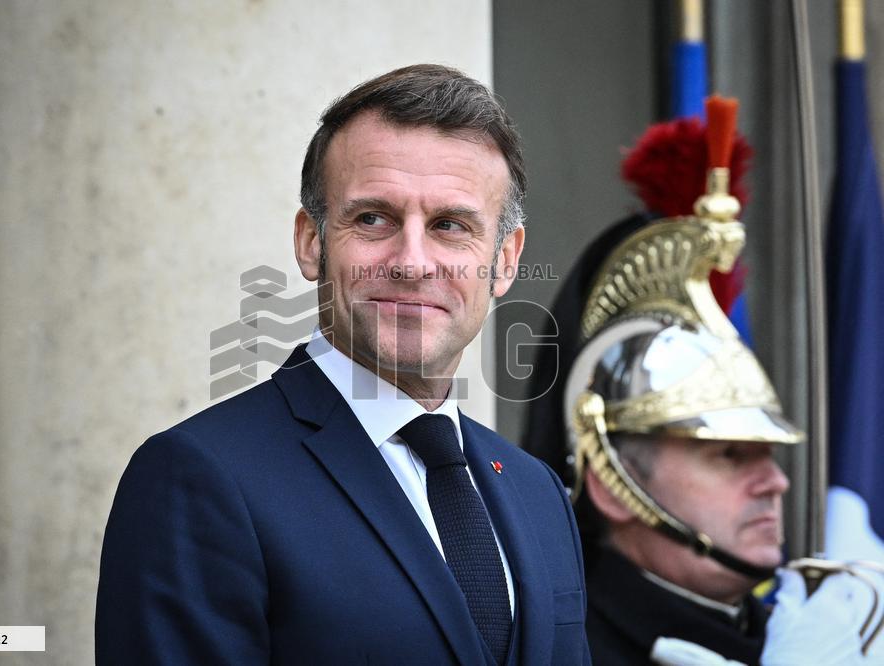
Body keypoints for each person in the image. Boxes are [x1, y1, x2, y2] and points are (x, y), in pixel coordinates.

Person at [96, 64, 591, 665]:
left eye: (451, 226)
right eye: (373, 218)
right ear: (311, 242)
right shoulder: (198, 479)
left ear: (505, 261)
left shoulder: (537, 492)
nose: (412, 262)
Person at [523, 103, 877, 665]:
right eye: (730, 455)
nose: (775, 483)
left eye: (768, 453)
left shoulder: (811, 632)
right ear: (614, 487)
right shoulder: (557, 650)